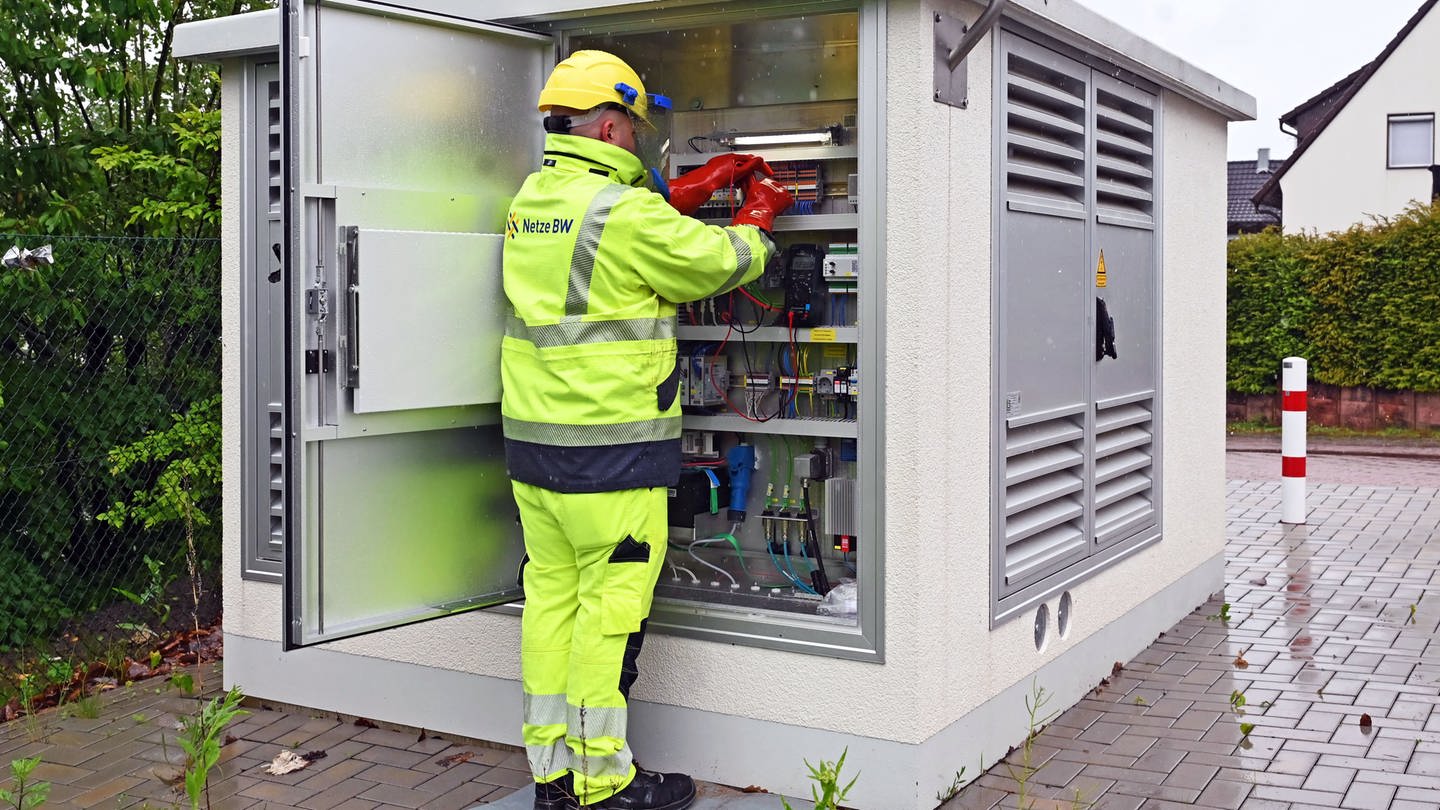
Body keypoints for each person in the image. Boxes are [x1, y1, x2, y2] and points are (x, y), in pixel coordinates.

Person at [500, 50, 794, 810]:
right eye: (631, 126)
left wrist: (697, 183)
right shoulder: (620, 213)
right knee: (608, 619)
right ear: (607, 124)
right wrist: (760, 215)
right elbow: (712, 261)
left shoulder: (535, 198)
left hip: (538, 451)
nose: (636, 138)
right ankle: (606, 785)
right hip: (612, 456)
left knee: (552, 608)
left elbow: (634, 230)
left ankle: (552, 778)